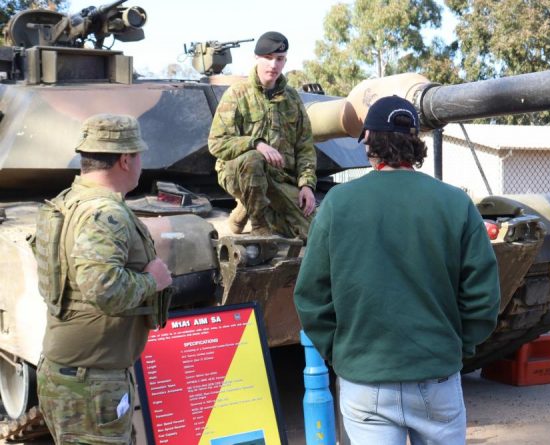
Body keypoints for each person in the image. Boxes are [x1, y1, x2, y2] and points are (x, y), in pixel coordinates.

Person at [294, 96, 500, 444]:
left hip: (365, 377)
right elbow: (482, 297)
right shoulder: (455, 203)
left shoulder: (337, 205)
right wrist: (455, 348)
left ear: (369, 140)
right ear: (416, 143)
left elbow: (312, 296)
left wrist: (344, 353)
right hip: (436, 374)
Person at [35, 114, 173, 444]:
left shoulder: (70, 201)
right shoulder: (103, 214)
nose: (141, 163)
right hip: (91, 383)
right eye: (138, 155)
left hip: (76, 375)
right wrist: (153, 281)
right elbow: (104, 290)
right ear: (126, 159)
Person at [208, 31, 316, 239]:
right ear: (257, 58)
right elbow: (216, 143)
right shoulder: (237, 94)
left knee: (312, 231)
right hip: (237, 174)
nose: (273, 65)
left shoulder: (291, 99)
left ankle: (245, 210)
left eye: (279, 59)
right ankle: (259, 226)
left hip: (279, 179)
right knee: (254, 159)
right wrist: (256, 143)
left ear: (285, 61)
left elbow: (305, 146)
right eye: (268, 58)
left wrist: (306, 184)